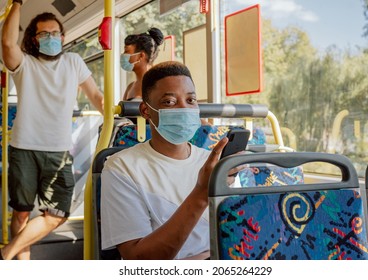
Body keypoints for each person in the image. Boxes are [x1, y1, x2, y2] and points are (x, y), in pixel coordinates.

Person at [0, 2, 104, 260]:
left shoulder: (73, 62)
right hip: (24, 147)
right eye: (43, 34)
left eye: (54, 33)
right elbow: (7, 44)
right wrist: (17, 4)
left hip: (58, 149)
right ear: (34, 39)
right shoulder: (25, 64)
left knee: (57, 214)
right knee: (22, 213)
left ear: (63, 36)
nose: (50, 38)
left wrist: (116, 117)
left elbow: (96, 96)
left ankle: (6, 253)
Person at [100, 61, 229, 259]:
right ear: (146, 111)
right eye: (169, 102)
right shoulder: (122, 168)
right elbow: (139, 259)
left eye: (191, 100)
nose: (184, 109)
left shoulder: (213, 163)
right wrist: (201, 194)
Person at [121, 27, 164, 101]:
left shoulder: (159, 85)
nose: (123, 55)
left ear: (141, 56)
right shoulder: (130, 87)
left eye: (126, 51)